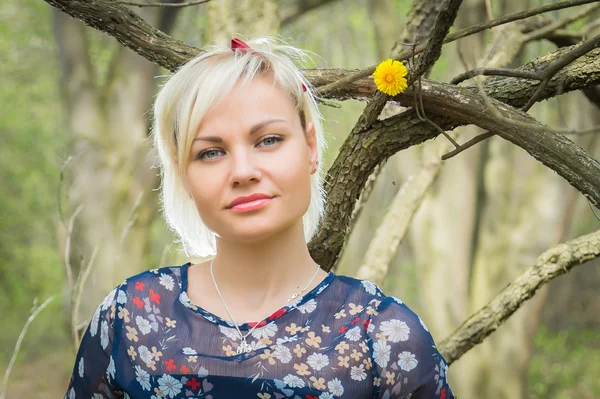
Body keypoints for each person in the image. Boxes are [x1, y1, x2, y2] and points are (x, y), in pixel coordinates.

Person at [64, 37, 454, 399]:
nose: (243, 171)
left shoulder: (384, 334)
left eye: (268, 140)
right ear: (184, 177)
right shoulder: (130, 316)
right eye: (210, 152)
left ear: (311, 147)